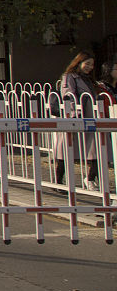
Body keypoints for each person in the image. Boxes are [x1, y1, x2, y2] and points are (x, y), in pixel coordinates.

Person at [55, 51, 100, 189]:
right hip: (75, 117)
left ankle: (91, 178)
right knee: (66, 149)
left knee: (97, 148)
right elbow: (68, 95)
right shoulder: (69, 77)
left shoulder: (88, 79)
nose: (90, 67)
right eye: (87, 63)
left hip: (90, 117)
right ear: (79, 62)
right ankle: (58, 181)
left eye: (92, 64)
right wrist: (74, 115)